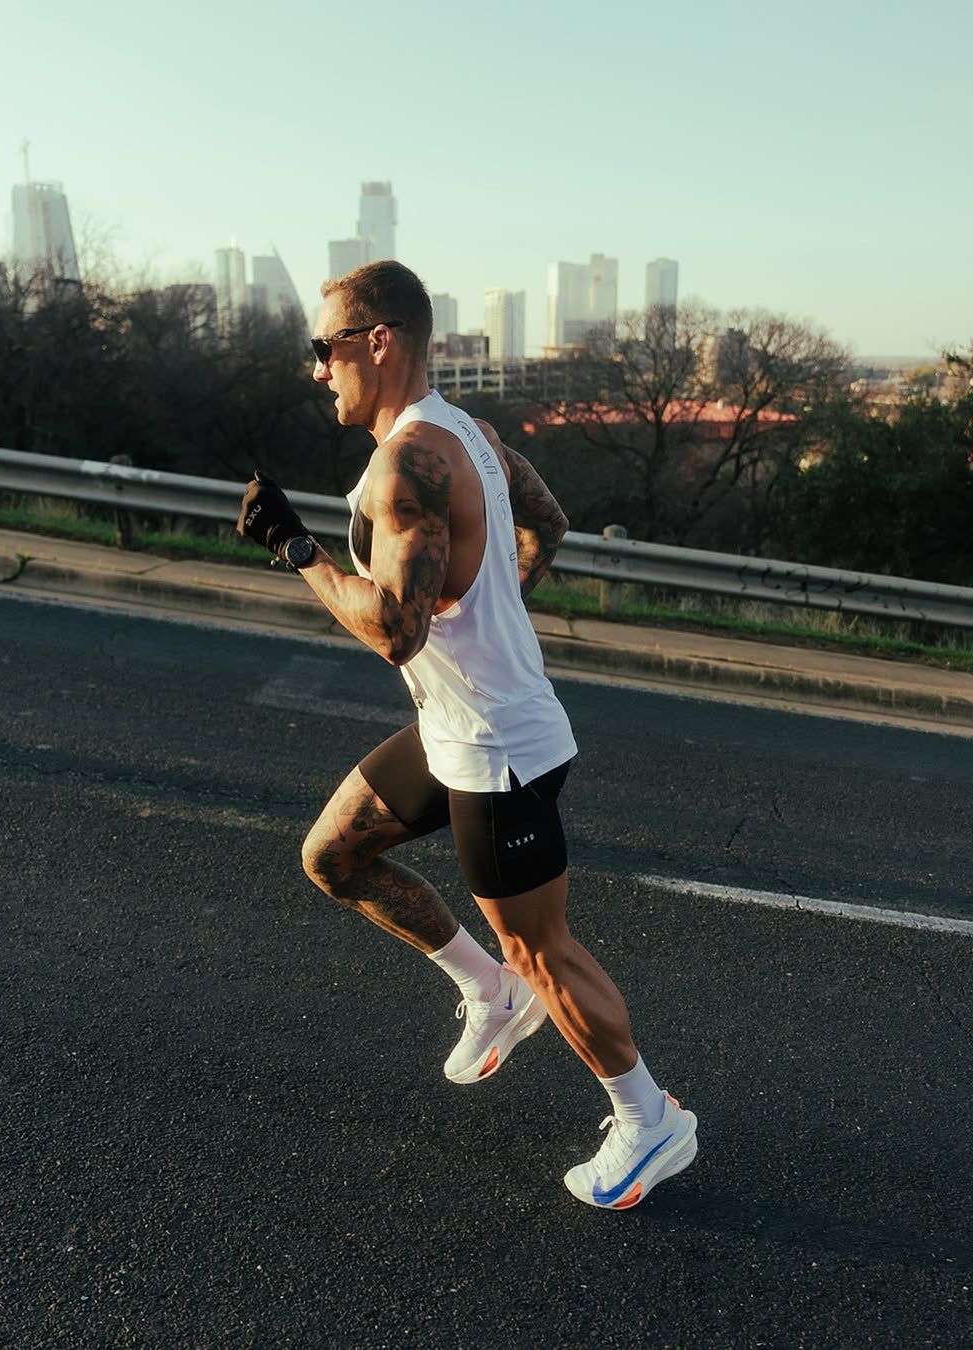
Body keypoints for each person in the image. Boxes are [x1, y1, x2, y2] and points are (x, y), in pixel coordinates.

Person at [236, 260, 697, 1209]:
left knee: (546, 952)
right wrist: (492, 612)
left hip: (501, 753)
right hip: (455, 728)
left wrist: (296, 551)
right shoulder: (468, 435)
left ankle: (651, 1122)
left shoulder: (412, 464)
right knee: (334, 855)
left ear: (379, 341)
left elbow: (395, 629)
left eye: (324, 349)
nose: (316, 369)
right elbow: (547, 522)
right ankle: (488, 992)